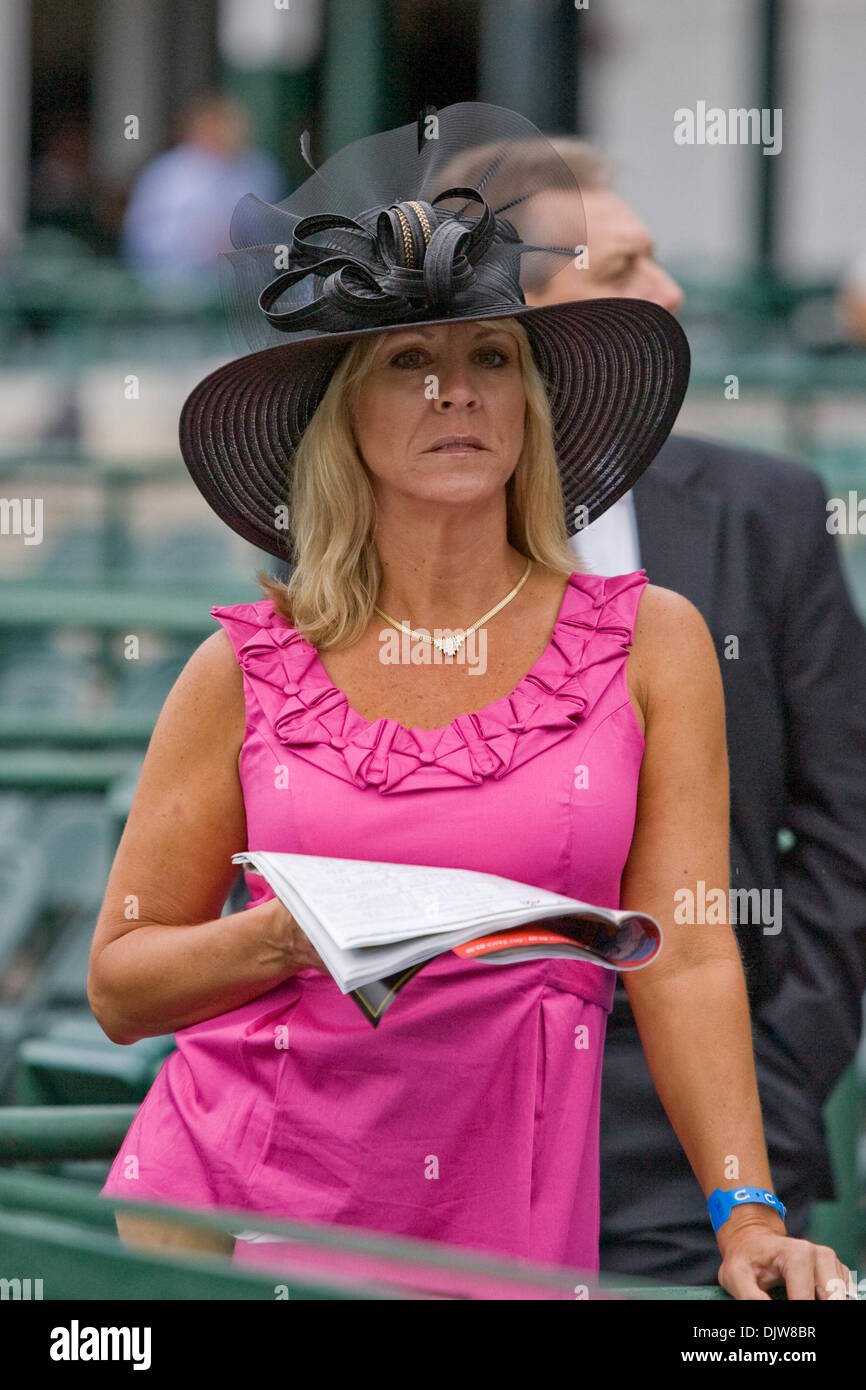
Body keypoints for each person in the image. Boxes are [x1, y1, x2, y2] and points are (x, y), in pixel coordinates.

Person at [89, 104, 852, 1299]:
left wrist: (745, 1210)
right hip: (232, 1212)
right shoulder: (240, 665)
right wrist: (291, 935)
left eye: (490, 358)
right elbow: (122, 983)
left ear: (530, 399)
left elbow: (689, 951)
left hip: (511, 1202)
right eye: (410, 363)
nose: (456, 392)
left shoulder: (652, 641)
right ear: (343, 413)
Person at [441, 134, 866, 1285]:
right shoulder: (395, 536)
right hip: (451, 1110)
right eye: (623, 268)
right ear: (507, 312)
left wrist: (775, 1076)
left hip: (708, 1117)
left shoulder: (763, 507)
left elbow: (847, 818)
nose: (669, 293)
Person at [120, 91, 284, 277]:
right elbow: (140, 239)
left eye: (231, 126)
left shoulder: (260, 170)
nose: (224, 134)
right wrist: (193, 241)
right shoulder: (166, 174)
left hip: (243, 281)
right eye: (216, 126)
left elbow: (274, 234)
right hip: (176, 284)